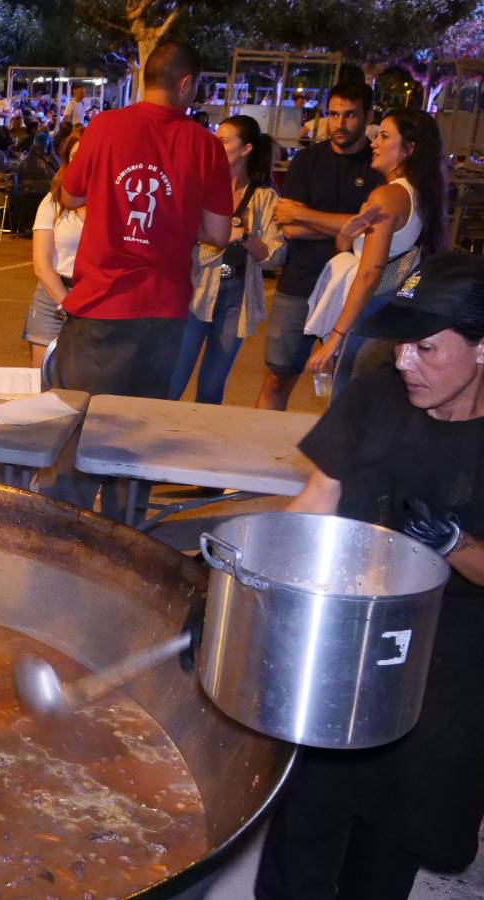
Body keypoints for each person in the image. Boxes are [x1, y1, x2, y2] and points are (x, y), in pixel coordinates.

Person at [255, 252, 484, 900]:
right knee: (301, 832)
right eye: (401, 344)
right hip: (348, 643)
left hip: (446, 673)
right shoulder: (380, 392)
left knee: (382, 858)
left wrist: (456, 544)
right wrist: (244, 579)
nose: (405, 361)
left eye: (427, 348)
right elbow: (317, 500)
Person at [50, 42, 231, 515]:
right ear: (187, 83)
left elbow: (69, 197)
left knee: (77, 434)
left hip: (98, 306)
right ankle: (124, 545)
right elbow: (217, 233)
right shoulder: (205, 145)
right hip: (163, 312)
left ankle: (56, 539)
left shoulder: (105, 127)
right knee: (137, 443)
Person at [255, 81, 383, 410]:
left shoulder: (379, 168)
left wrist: (306, 215)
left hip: (352, 293)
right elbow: (290, 227)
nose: (339, 123)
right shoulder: (307, 161)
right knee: (277, 378)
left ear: (368, 116)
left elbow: (374, 231)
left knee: (343, 388)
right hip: (299, 285)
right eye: (333, 114)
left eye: (350, 115)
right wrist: (349, 225)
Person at [304, 108, 446, 396]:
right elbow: (351, 252)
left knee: (348, 407)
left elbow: (369, 273)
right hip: (388, 308)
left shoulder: (389, 196)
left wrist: (336, 339)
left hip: (369, 311)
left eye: (384, 136)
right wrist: (348, 231)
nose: (374, 143)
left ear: (409, 149)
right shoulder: (417, 194)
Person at [169, 115, 286, 404]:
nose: (215, 144)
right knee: (173, 377)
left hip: (236, 293)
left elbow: (275, 256)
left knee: (212, 385)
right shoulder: (200, 185)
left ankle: (199, 445)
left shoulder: (264, 197)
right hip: (196, 289)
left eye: (223, 140)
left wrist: (244, 236)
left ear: (245, 149)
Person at [23, 133, 84, 368]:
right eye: (75, 157)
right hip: (53, 300)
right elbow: (41, 265)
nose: (82, 163)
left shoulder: (110, 203)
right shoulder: (52, 202)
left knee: (84, 384)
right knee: (43, 383)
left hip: (94, 299)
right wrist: (67, 304)